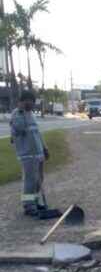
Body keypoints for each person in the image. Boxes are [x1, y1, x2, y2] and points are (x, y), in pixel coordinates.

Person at [9, 91, 60, 219]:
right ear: (24, 101)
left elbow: (37, 133)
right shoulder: (17, 115)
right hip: (27, 154)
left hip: (38, 153)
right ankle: (28, 205)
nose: (33, 105)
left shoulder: (31, 114)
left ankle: (38, 202)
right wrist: (22, 111)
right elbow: (19, 129)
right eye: (30, 102)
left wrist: (45, 148)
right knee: (30, 181)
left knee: (38, 181)